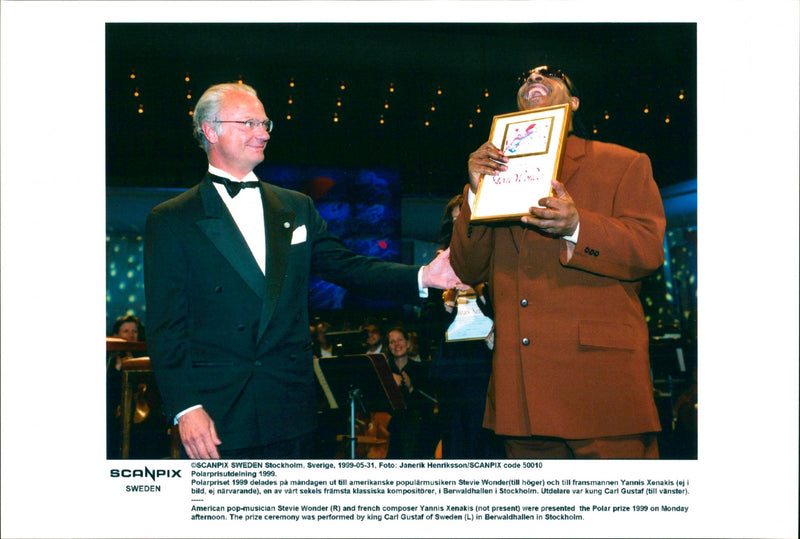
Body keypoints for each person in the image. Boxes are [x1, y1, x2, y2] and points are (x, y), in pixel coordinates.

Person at [144, 82, 461, 459]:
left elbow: (348, 266)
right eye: (248, 123)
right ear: (211, 131)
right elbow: (167, 328)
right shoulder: (171, 219)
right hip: (217, 411)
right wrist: (185, 407)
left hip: (290, 407)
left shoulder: (295, 206)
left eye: (265, 124)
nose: (262, 134)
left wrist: (423, 276)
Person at [449, 65, 666, 459]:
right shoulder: (493, 179)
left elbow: (649, 251)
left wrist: (577, 225)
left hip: (599, 388)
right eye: (525, 76)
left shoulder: (623, 163)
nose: (533, 78)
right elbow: (468, 269)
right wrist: (473, 195)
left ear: (574, 102)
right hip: (520, 396)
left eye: (550, 74)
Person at [424, 195, 503, 459]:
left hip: (485, 369)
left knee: (485, 445)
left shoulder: (497, 262)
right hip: (451, 372)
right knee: (454, 446)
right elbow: (426, 326)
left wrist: (480, 291)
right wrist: (445, 306)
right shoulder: (438, 264)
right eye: (458, 221)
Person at [384, 327, 438, 459]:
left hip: (415, 429)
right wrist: (388, 384)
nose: (397, 344)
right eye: (392, 342)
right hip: (389, 427)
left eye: (400, 340)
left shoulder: (421, 369)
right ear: (388, 347)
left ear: (408, 344)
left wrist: (411, 388)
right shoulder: (384, 370)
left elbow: (429, 406)